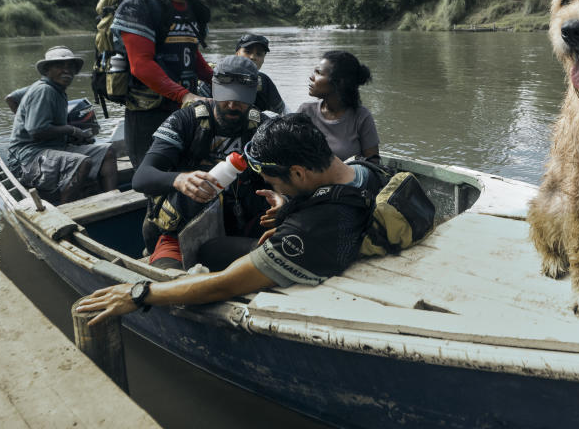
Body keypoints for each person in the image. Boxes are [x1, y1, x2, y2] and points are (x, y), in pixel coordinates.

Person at [76, 113, 382, 324]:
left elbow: (223, 285)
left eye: (273, 182)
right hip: (338, 238)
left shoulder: (304, 233)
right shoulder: (365, 172)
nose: (271, 186)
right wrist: (288, 201)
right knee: (213, 249)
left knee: (202, 261)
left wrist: (140, 293)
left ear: (299, 173)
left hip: (319, 257)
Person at [133, 55, 270, 270]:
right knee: (168, 282)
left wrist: (282, 198)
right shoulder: (185, 121)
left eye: (241, 99)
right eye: (225, 97)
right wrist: (179, 179)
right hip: (181, 231)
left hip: (242, 230)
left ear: (253, 95)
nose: (232, 105)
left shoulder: (263, 126)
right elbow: (142, 177)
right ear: (213, 89)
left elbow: (290, 175)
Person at [111, 0, 217, 167]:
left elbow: (192, 55)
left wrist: (220, 82)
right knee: (157, 183)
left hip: (187, 111)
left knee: (191, 175)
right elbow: (141, 64)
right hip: (149, 115)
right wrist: (184, 95)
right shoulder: (139, 6)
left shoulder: (195, 10)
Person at [7, 47, 117, 204]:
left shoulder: (56, 89)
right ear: (47, 70)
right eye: (60, 66)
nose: (66, 71)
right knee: (81, 162)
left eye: (70, 67)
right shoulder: (44, 90)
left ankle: (113, 199)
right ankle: (68, 210)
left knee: (108, 152)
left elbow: (11, 97)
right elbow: (37, 131)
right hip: (28, 158)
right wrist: (71, 130)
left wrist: (70, 136)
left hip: (53, 148)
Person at [297, 50, 380, 163]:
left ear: (340, 82)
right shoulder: (305, 111)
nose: (312, 77)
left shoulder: (361, 117)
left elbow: (373, 164)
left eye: (319, 73)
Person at [198, 33, 287, 114]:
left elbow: (282, 112)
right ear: (237, 54)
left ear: (263, 59)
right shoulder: (217, 76)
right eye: (248, 52)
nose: (253, 57)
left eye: (259, 54)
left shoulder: (264, 82)